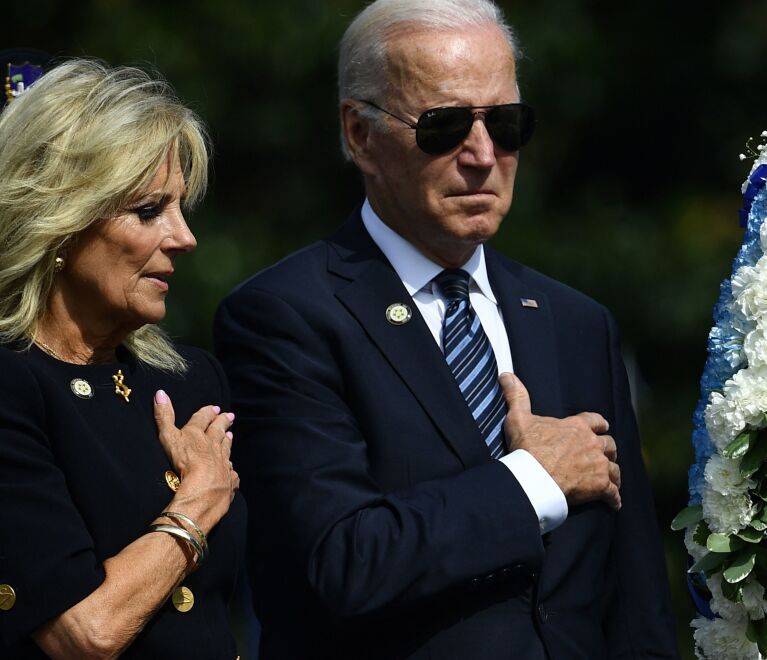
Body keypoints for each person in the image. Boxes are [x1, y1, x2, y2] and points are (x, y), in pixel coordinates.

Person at [215, 0, 677, 657]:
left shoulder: (576, 322)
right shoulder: (284, 317)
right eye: (445, 125)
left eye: (507, 123)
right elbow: (343, 561)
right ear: (360, 135)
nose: (484, 155)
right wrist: (532, 481)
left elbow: (635, 602)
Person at [0, 59, 246, 659]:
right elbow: (86, 632)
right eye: (148, 210)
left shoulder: (190, 380)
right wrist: (195, 507)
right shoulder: (12, 386)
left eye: (181, 208)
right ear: (60, 222)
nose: (184, 237)